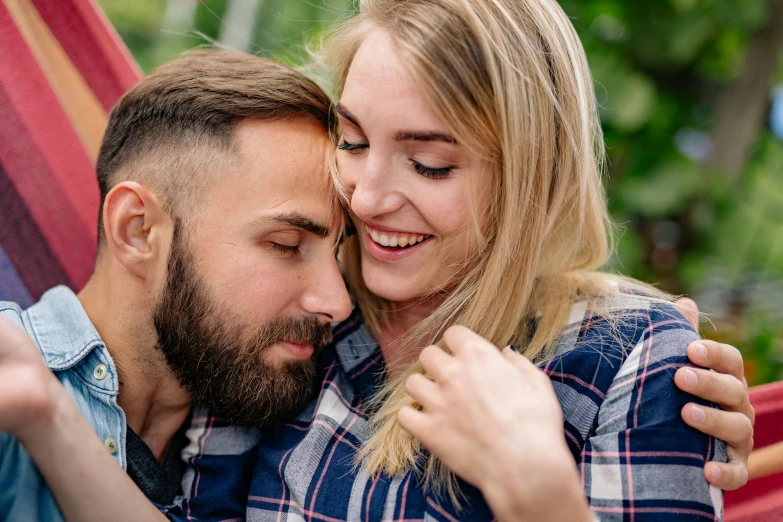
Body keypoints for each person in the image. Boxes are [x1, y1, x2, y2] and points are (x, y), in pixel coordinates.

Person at [0, 2, 755, 519]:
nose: (364, 198)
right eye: (354, 142)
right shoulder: (299, 325)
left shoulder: (632, 360)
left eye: (428, 165)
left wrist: (541, 497)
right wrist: (47, 418)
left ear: (530, 181)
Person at [0, 50, 352, 521]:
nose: (338, 303)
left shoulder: (284, 431)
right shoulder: (10, 401)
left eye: (340, 253)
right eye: (286, 244)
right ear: (138, 231)